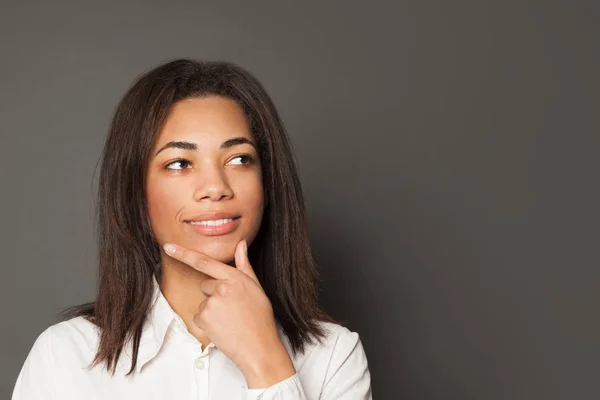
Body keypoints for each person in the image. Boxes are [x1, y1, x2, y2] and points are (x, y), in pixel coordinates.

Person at [12, 59, 372, 399]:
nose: (215, 187)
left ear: (268, 184)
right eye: (180, 163)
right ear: (136, 190)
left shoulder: (333, 355)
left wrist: (267, 363)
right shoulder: (66, 356)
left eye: (239, 159)